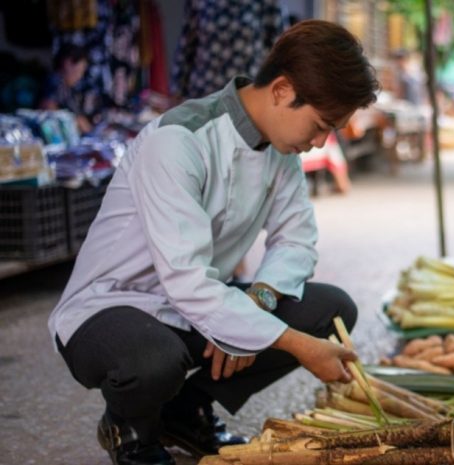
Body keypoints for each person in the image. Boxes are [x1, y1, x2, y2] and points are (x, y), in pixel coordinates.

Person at [47, 20, 379, 465]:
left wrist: (254, 308)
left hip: (193, 308)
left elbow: (297, 242)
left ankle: (183, 413)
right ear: (282, 90)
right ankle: (132, 433)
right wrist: (292, 343)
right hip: (110, 309)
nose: (320, 142)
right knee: (153, 359)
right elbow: (186, 280)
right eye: (320, 125)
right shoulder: (178, 140)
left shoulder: (280, 151)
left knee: (331, 310)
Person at [40, 43, 95, 134]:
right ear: (67, 64)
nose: (79, 77)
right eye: (78, 71)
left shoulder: (67, 88)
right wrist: (73, 121)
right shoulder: (55, 82)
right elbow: (48, 107)